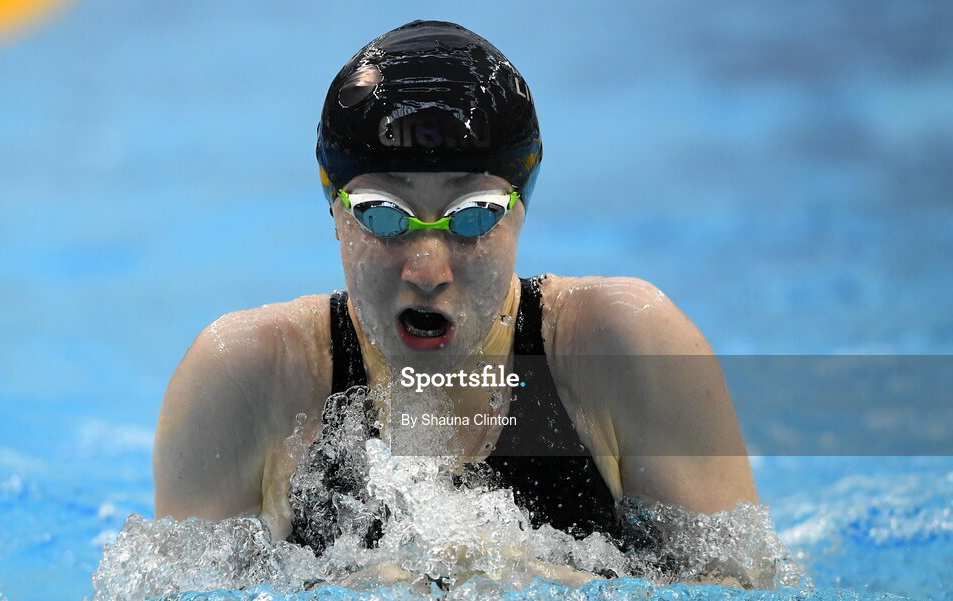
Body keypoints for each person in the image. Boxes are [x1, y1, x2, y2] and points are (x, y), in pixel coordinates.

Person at [153, 20, 757, 568]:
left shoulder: (625, 346)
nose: (428, 268)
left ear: (523, 205)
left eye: (472, 218)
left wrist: (551, 598)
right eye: (385, 217)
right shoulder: (245, 376)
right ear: (333, 208)